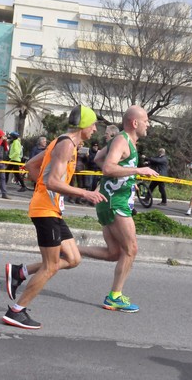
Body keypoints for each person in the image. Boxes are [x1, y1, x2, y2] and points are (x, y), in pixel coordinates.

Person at [2, 105, 106, 329]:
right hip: (45, 211)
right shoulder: (66, 145)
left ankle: (21, 271)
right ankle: (16, 311)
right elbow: (52, 182)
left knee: (73, 258)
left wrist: (41, 190)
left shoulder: (65, 142)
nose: (95, 129)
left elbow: (31, 166)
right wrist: (85, 193)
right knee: (50, 267)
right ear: (84, 125)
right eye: (94, 124)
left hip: (52, 209)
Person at [78, 106, 159, 313]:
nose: (148, 124)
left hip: (110, 200)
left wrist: (124, 176)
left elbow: (98, 159)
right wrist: (138, 170)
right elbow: (107, 167)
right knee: (131, 250)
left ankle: (71, 249)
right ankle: (115, 296)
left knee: (115, 252)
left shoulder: (121, 140)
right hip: (116, 203)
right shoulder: (123, 140)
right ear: (135, 123)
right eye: (146, 121)